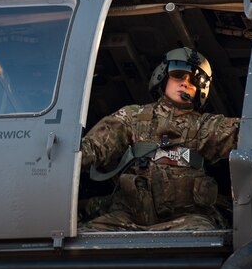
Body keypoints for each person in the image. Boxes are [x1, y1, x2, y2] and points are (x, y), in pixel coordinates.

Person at [79, 46, 240, 231]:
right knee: (87, 235)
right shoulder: (133, 117)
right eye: (178, 74)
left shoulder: (206, 125)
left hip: (184, 220)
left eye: (195, 80)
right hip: (130, 218)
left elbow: (246, 132)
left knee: (202, 235)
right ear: (162, 76)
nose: (185, 83)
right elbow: (93, 147)